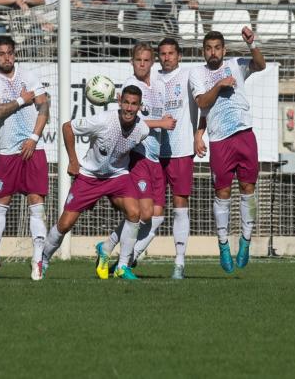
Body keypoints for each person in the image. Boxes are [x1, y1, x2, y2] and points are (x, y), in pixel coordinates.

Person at [41, 85, 175, 280]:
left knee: (135, 212)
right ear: (120, 102)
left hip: (117, 176)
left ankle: (122, 266)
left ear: (139, 107)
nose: (129, 108)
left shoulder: (142, 129)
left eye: (134, 104)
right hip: (89, 176)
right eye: (126, 103)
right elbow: (67, 127)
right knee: (65, 224)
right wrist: (73, 161)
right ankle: (42, 260)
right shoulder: (104, 120)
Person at [191, 28, 266, 273]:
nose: (213, 52)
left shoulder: (236, 64)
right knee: (222, 192)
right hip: (220, 140)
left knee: (248, 189)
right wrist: (220, 84)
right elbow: (202, 102)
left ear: (224, 50)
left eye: (217, 48)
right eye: (208, 48)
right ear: (203, 51)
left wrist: (252, 43)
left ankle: (245, 240)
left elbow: (260, 64)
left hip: (244, 134)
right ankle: (223, 244)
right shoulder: (198, 73)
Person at [96, 43, 170, 277]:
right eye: (138, 59)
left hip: (155, 156)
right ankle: (124, 264)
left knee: (157, 217)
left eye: (147, 60)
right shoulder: (132, 86)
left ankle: (107, 247)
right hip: (138, 156)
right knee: (144, 213)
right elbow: (130, 121)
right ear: (132, 61)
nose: (142, 64)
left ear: (152, 62)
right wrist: (161, 123)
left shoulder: (158, 84)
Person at [0, 37, 50, 281]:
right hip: (8, 152)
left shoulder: (28, 76)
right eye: (1, 54)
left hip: (34, 148)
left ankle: (37, 261)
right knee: (0, 206)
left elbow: (44, 108)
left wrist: (33, 137)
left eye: (10, 53)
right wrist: (22, 99)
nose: (7, 58)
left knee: (37, 207)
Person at [156, 38, 197, 278]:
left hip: (181, 150)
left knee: (180, 206)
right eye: (163, 53)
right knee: (151, 211)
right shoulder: (152, 79)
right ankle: (133, 254)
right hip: (153, 152)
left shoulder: (190, 75)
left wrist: (199, 133)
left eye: (171, 53)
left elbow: (203, 102)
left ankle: (179, 262)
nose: (167, 57)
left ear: (179, 55)